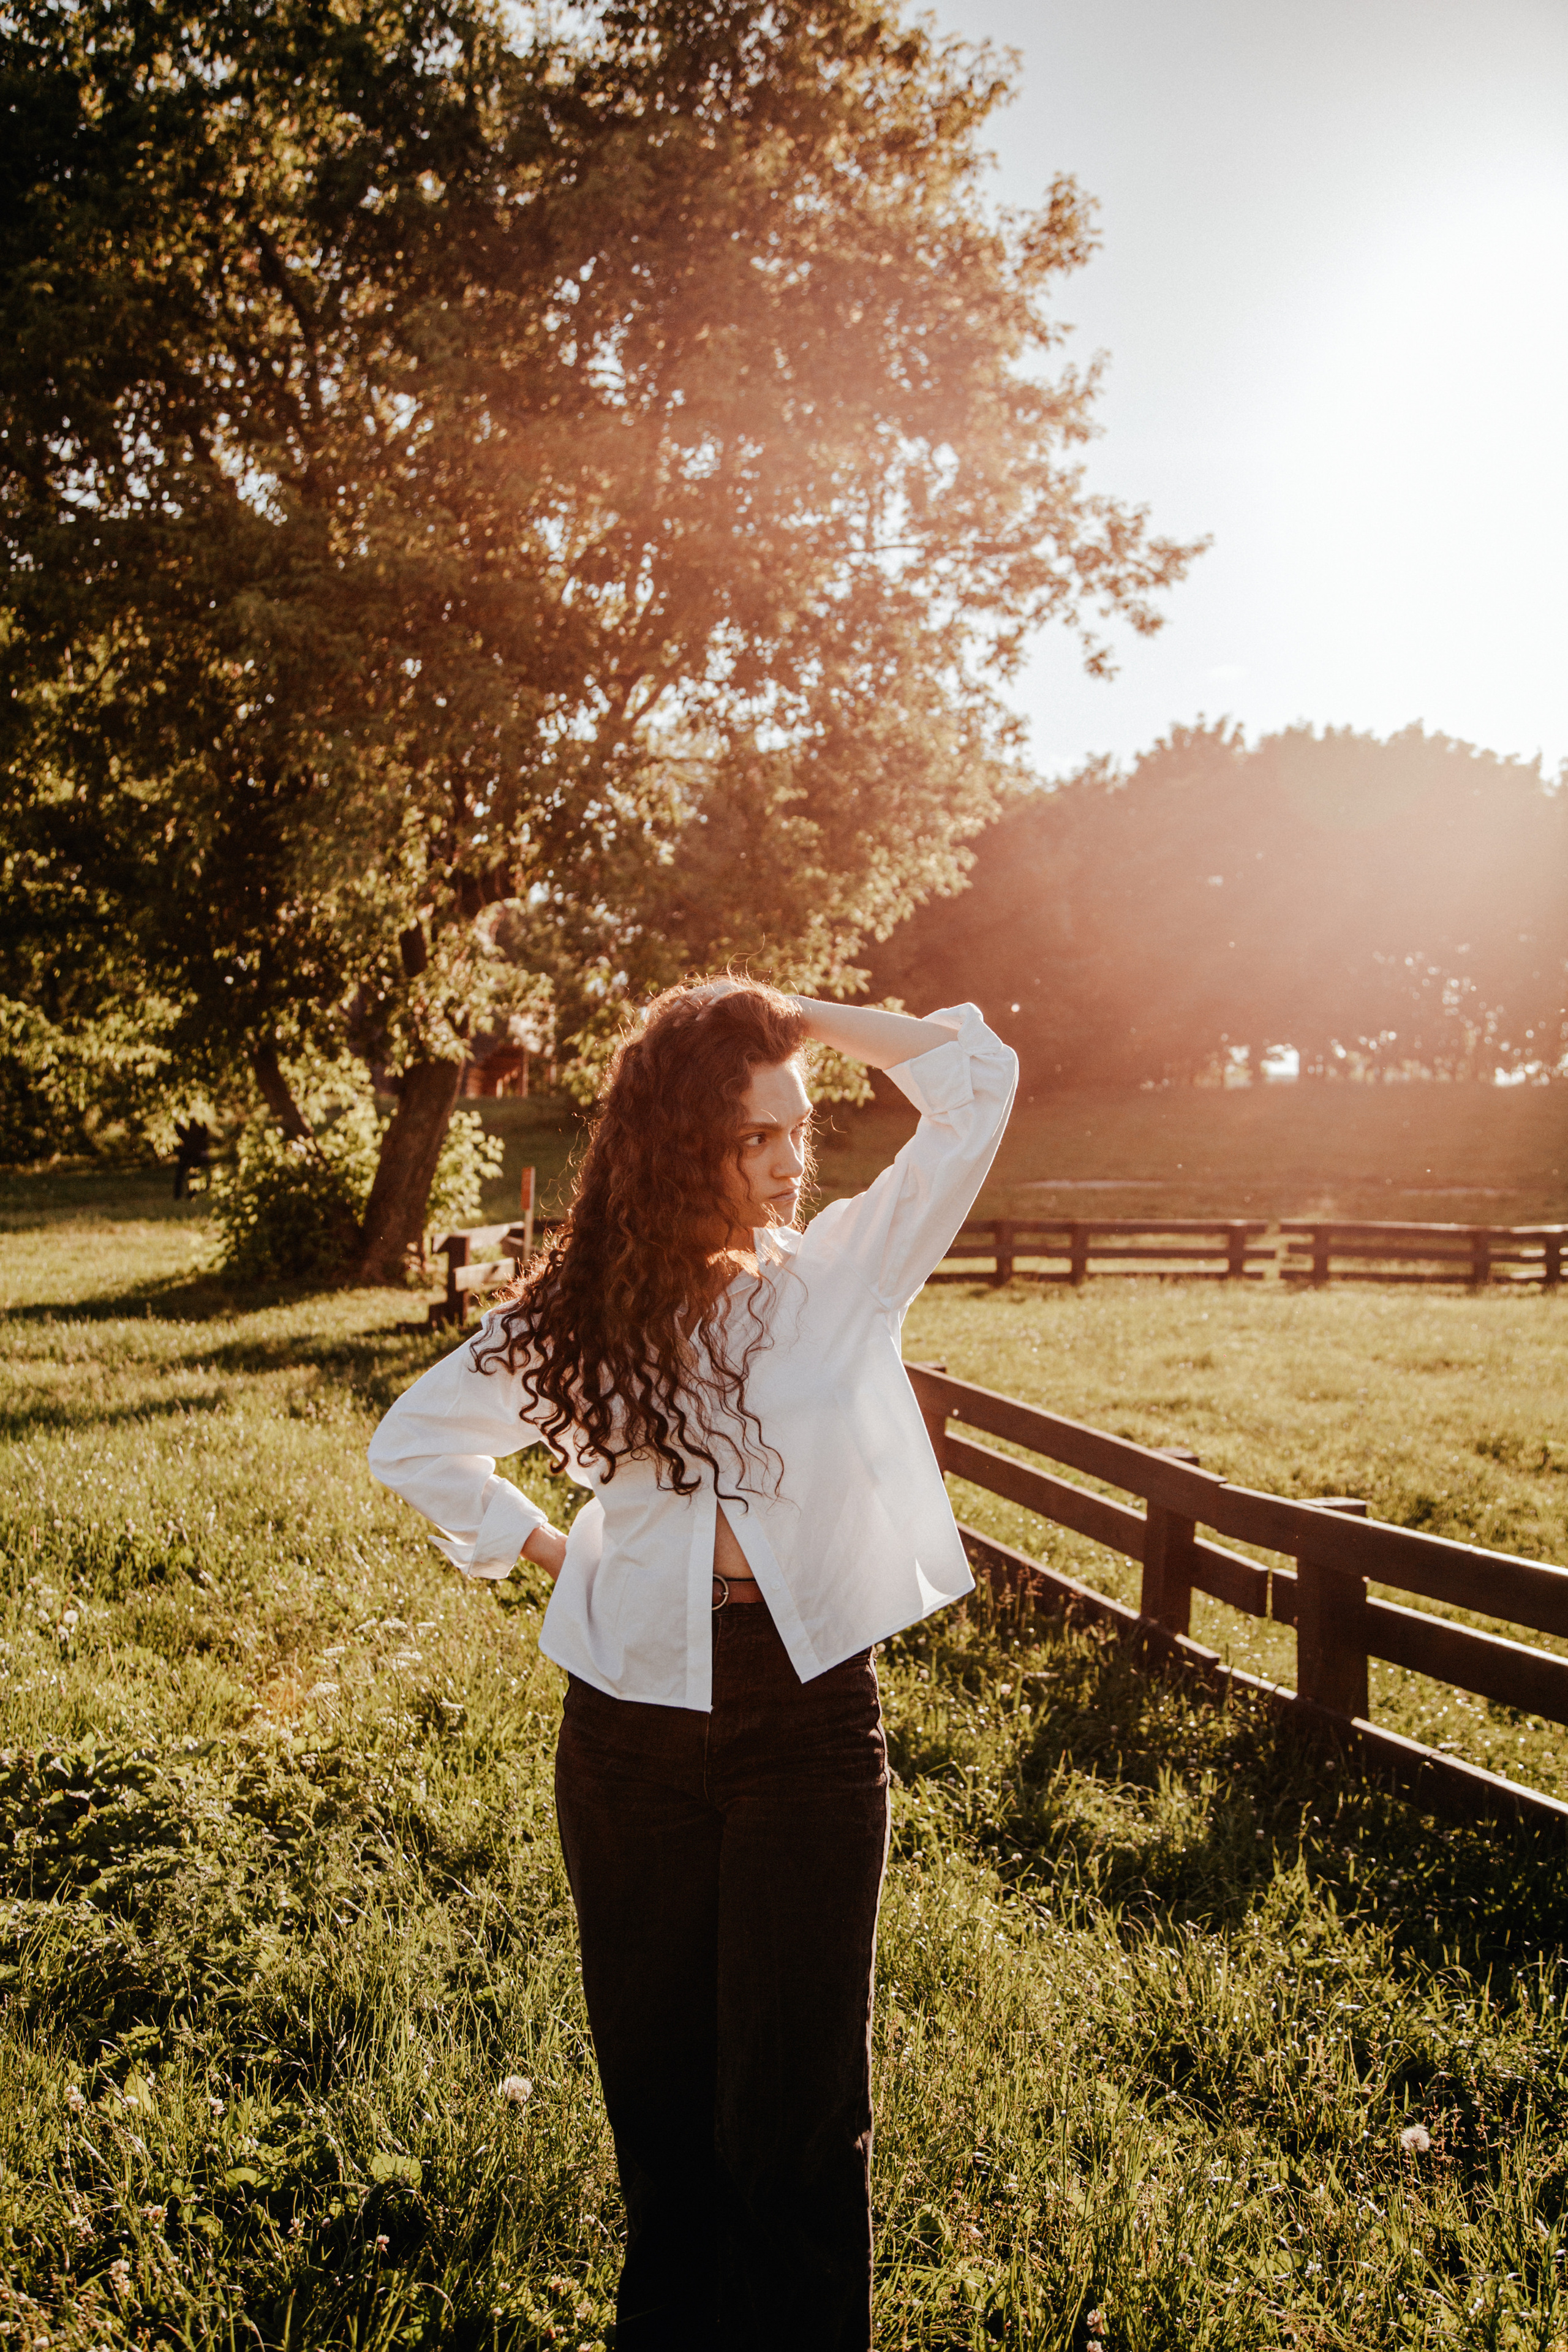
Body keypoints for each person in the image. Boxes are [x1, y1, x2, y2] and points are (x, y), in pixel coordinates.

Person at [367, 978, 1017, 2350]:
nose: (791, 1164)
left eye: (796, 1134)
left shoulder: (839, 1275)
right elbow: (417, 1441)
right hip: (627, 1727)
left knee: (791, 2119)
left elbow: (976, 1081)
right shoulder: (577, 1314)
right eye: (754, 1139)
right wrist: (559, 1555)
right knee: (659, 2114)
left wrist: (797, 1018)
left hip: (805, 1719)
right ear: (674, 1149)